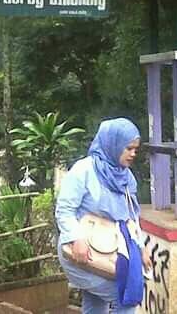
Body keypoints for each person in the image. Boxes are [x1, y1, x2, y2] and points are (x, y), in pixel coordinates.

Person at [56, 117, 151, 314]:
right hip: (81, 250)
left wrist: (141, 248)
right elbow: (64, 209)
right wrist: (76, 238)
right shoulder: (84, 170)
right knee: (124, 297)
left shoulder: (125, 176)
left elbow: (131, 216)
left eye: (136, 149)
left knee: (95, 302)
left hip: (111, 251)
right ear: (113, 144)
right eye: (128, 148)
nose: (133, 154)